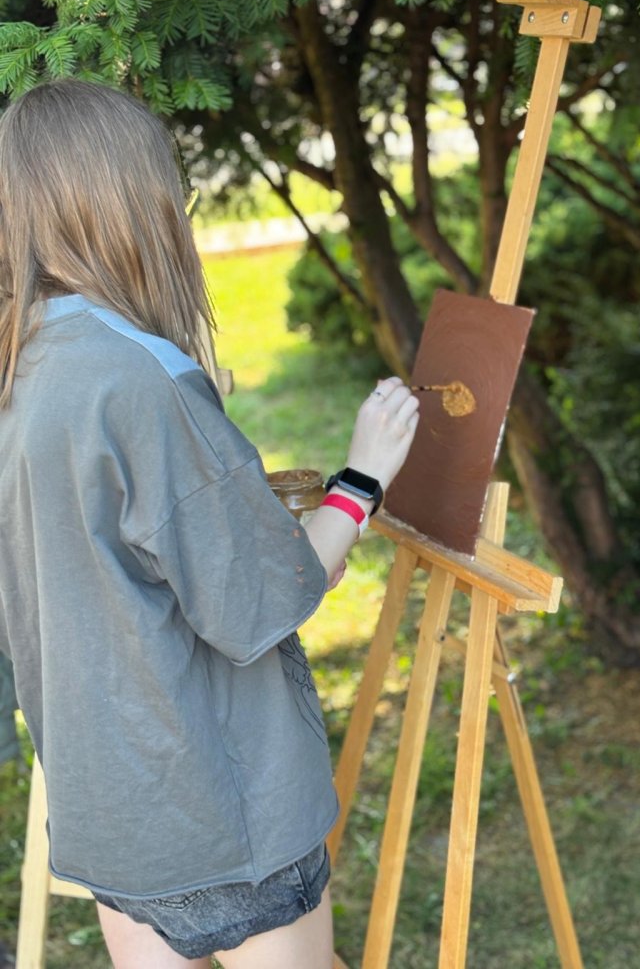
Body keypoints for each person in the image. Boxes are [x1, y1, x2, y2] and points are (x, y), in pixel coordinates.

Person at [0, 79, 420, 969]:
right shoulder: (139, 379)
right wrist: (361, 480)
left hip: (108, 811)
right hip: (219, 808)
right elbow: (260, 602)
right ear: (135, 200)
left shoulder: (15, 366)